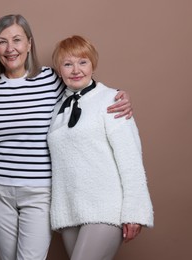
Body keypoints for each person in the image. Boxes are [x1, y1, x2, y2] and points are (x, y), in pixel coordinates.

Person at [0, 15, 133, 260]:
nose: (10, 49)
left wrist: (117, 96)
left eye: (17, 40)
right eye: (2, 42)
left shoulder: (51, 79)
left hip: (40, 190)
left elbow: (86, 88)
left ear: (29, 44)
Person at [47, 35, 154, 260]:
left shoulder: (111, 100)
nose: (76, 70)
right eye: (68, 64)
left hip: (106, 208)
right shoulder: (58, 109)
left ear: (93, 65)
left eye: (82, 62)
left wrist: (135, 212)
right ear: (59, 70)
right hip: (70, 211)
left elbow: (131, 159)